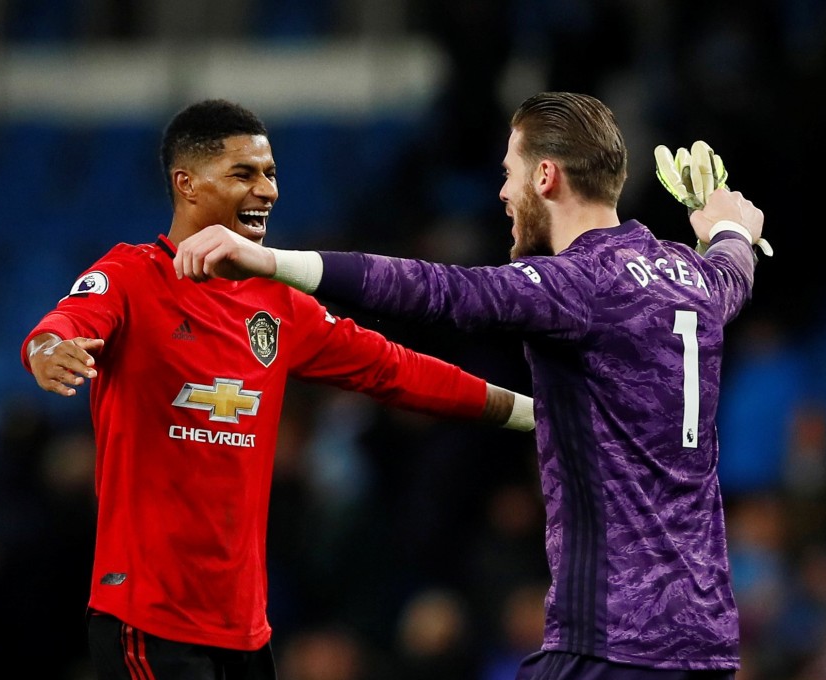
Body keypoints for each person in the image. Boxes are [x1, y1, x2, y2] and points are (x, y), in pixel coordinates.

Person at [173, 91, 767, 679]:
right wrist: (730, 229)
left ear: (545, 176)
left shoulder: (578, 281)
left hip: (613, 641)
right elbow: (734, 272)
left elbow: (438, 291)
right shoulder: (692, 279)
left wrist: (271, 261)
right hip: (704, 640)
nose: (503, 193)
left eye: (509, 173)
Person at [20, 98, 533, 680]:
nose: (267, 190)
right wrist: (47, 351)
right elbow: (63, 325)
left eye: (270, 173)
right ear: (187, 184)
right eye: (244, 174)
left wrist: (532, 414)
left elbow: (396, 370)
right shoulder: (132, 276)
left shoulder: (278, 304)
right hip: (150, 618)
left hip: (244, 629)